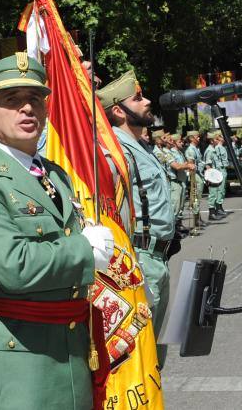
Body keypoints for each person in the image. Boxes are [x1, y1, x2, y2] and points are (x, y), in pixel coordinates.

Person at [0, 54, 114, 409]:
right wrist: (84, 250)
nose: (27, 108)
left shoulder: (55, 175)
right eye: (12, 100)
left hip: (68, 346)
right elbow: (14, 267)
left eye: (35, 99)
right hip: (17, 354)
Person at [98, 69, 174, 367]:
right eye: (138, 98)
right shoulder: (116, 150)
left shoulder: (140, 146)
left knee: (154, 355)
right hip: (140, 257)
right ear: (118, 111)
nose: (148, 101)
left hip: (158, 257)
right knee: (140, 356)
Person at [183, 131, 206, 229]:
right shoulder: (191, 150)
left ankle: (198, 218)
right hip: (194, 175)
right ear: (192, 138)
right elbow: (191, 165)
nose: (199, 138)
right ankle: (196, 220)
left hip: (199, 174)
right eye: (197, 137)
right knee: (195, 197)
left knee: (197, 197)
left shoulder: (195, 148)